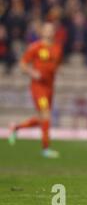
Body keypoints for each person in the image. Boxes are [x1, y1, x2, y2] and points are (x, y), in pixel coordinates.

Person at [8, 22, 62, 158]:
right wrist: (33, 73)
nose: (50, 32)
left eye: (52, 29)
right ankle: (45, 148)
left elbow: (55, 66)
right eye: (47, 29)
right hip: (38, 87)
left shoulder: (57, 48)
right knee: (46, 115)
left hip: (50, 87)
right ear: (42, 32)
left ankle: (16, 127)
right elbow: (22, 63)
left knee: (43, 118)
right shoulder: (36, 47)